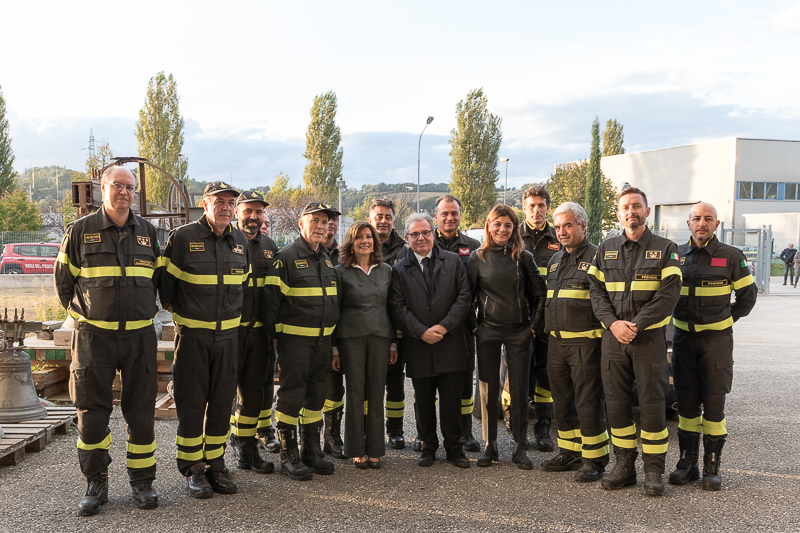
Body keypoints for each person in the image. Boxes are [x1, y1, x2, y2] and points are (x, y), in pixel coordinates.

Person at [54, 166, 161, 515]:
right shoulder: (80, 231)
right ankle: (95, 481)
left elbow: (161, 281)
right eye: (118, 185)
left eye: (130, 188)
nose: (125, 192)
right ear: (103, 188)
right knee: (91, 412)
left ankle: (142, 482)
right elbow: (63, 283)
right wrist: (87, 315)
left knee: (141, 410)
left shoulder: (148, 232)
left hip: (139, 336)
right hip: (93, 338)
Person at [159, 181, 250, 499]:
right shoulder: (183, 237)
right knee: (192, 405)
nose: (226, 207)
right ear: (205, 203)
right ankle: (193, 469)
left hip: (227, 340)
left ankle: (216, 464)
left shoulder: (240, 241)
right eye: (219, 201)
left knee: (223, 405)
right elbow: (165, 289)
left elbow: (244, 288)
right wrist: (188, 319)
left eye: (230, 202)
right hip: (194, 340)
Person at [588, 187, 682, 497]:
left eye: (637, 206)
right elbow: (596, 293)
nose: (632, 211)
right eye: (626, 206)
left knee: (653, 404)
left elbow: (668, 296)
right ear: (618, 213)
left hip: (648, 339)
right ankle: (624, 465)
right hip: (614, 339)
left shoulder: (667, 248)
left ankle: (654, 469)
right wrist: (613, 323)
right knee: (616, 404)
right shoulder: (605, 249)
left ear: (647, 211)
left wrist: (636, 325)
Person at [669, 202, 757, 491]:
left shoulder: (731, 256)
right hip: (683, 341)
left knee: (714, 405)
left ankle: (712, 467)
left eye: (708, 219)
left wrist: (723, 320)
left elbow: (747, 297)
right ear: (688, 222)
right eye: (697, 218)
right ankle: (687, 464)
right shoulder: (676, 255)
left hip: (716, 343)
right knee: (687, 404)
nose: (702, 223)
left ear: (716, 224)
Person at [264, 202, 341, 481]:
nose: (322, 226)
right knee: (292, 396)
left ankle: (312, 450)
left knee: (315, 396)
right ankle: (289, 456)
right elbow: (271, 304)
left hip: (322, 343)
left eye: (326, 222)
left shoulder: (328, 259)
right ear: (301, 223)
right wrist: (278, 342)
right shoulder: (285, 257)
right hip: (295, 343)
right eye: (316, 221)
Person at [389, 213, 472, 468]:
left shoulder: (453, 261)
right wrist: (422, 331)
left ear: (433, 234)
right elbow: (397, 306)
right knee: (423, 401)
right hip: (419, 344)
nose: (421, 238)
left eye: (425, 232)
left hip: (450, 343)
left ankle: (455, 449)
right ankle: (427, 446)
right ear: (407, 238)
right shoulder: (399, 268)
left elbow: (464, 297)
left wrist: (444, 327)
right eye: (415, 234)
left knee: (450, 400)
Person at [467, 205, 546, 469]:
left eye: (508, 225)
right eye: (497, 224)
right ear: (489, 225)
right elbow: (466, 298)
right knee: (488, 390)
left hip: (518, 332)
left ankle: (520, 447)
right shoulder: (477, 258)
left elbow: (541, 295)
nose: (502, 229)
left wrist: (532, 328)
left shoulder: (523, 257)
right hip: (487, 330)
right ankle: (490, 446)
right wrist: (476, 329)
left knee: (520, 390)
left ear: (514, 228)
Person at [541, 202, 608, 482]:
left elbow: (605, 302)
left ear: (582, 225)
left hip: (585, 344)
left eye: (567, 225)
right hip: (557, 344)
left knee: (587, 402)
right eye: (557, 227)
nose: (562, 232)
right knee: (562, 401)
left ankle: (594, 458)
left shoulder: (598, 257)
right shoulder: (555, 259)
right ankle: (569, 451)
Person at [331, 222, 398, 468]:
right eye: (359, 237)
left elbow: (392, 309)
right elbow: (334, 312)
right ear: (351, 242)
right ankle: (356, 448)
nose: (365, 241)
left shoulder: (387, 270)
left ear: (375, 242)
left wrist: (393, 343)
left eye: (369, 237)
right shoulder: (340, 272)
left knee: (377, 393)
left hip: (381, 337)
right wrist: (334, 348)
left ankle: (376, 449)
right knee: (356, 393)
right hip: (351, 338)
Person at [229, 191, 278, 474]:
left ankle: (247, 451)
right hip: (229, 333)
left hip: (259, 334)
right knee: (223, 395)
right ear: (237, 212)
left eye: (259, 212)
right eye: (249, 211)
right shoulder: (226, 242)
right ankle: (213, 457)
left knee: (252, 396)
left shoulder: (270, 246)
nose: (254, 217)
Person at [510, 185, 561, 452]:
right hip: (519, 319)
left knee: (546, 376)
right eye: (531, 205)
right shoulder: (512, 236)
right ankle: (516, 429)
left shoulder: (558, 237)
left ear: (548, 208)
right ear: (524, 207)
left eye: (541, 205)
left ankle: (543, 428)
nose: (537, 210)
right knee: (518, 377)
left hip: (548, 319)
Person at [431, 194, 481, 453]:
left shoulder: (473, 246)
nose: (450, 218)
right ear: (436, 216)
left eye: (454, 213)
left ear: (461, 215)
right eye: (445, 213)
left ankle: (465, 432)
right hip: (432, 324)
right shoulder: (425, 243)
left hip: (463, 323)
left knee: (463, 378)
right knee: (430, 379)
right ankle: (426, 435)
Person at [367, 198, 408, 449]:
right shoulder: (359, 244)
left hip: (396, 324)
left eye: (388, 217)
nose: (383, 221)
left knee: (395, 379)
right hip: (367, 325)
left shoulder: (404, 249)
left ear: (394, 221)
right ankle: (368, 429)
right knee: (367, 381)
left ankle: (395, 429)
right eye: (379, 216)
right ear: (370, 219)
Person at [321, 210, 346, 459]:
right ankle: (307, 440)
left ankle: (332, 436)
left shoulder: (344, 254)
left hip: (340, 331)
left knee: (334, 388)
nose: (328, 225)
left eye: (332, 220)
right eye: (321, 220)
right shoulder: (298, 254)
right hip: (311, 333)